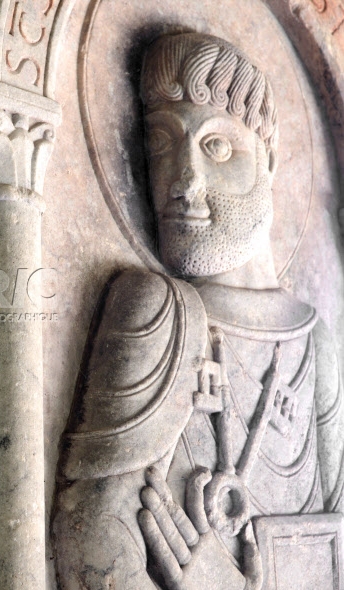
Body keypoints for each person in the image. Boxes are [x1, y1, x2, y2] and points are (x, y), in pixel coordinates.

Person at [53, 33, 344, 590]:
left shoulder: (316, 344)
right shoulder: (155, 312)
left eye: (216, 147)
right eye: (161, 144)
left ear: (269, 157)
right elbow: (90, 538)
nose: (182, 182)